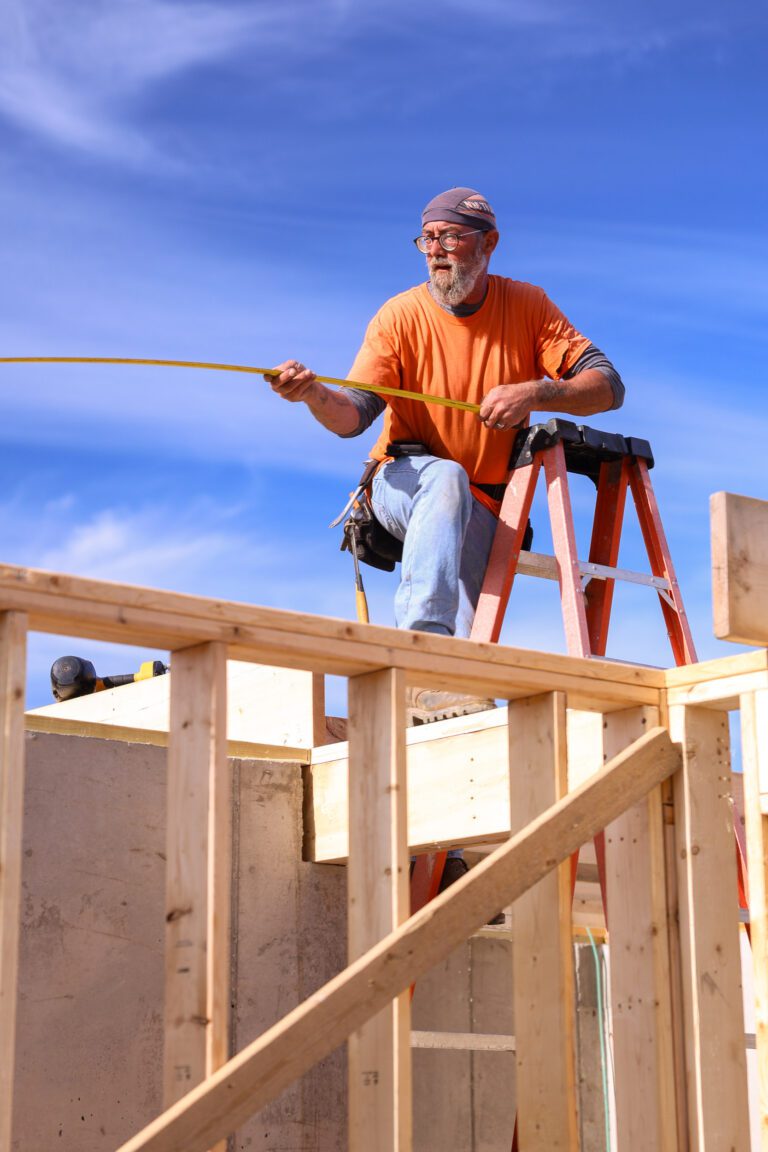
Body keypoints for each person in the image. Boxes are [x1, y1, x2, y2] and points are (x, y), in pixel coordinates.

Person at [267, 187, 624, 723]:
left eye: (451, 237)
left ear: (489, 244)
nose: (436, 249)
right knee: (445, 479)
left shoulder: (528, 305)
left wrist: (534, 392)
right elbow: (351, 417)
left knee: (463, 682)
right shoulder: (400, 316)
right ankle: (419, 663)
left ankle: (441, 690)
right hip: (401, 485)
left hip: (483, 505)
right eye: (428, 238)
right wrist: (313, 395)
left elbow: (609, 386)